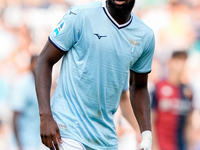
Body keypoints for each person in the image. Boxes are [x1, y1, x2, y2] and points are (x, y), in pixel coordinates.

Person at [34, 0, 155, 149]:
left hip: (105, 140)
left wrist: (146, 134)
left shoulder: (145, 36)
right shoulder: (80, 15)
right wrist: (45, 116)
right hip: (66, 132)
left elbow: (139, 88)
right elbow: (44, 61)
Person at [151, 51, 193, 150]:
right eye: (178, 60)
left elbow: (189, 123)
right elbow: (151, 118)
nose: (181, 64)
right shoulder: (159, 87)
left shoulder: (188, 92)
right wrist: (154, 145)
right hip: (161, 145)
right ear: (170, 62)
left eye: (184, 61)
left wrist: (190, 145)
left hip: (180, 145)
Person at [11, 55, 42, 150]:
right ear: (30, 65)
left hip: (36, 142)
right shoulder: (23, 84)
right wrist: (19, 144)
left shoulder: (41, 85)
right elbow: (15, 116)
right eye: (35, 63)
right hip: (24, 142)